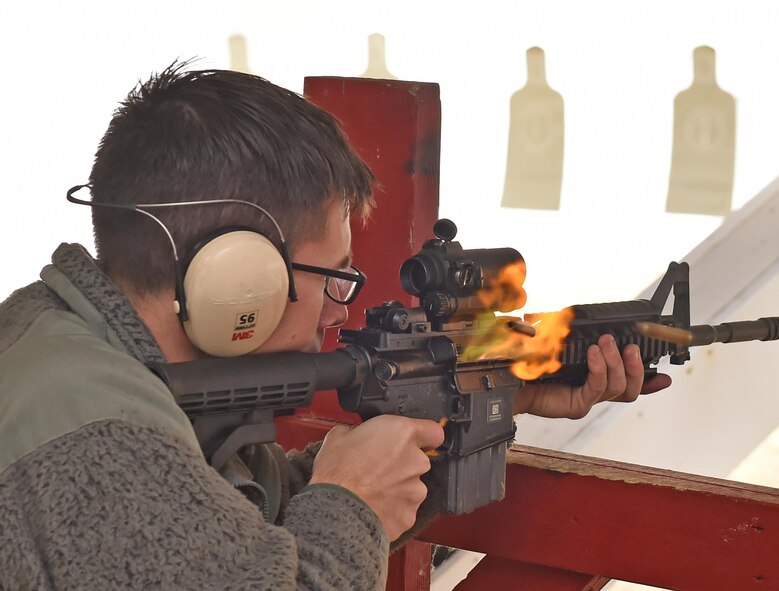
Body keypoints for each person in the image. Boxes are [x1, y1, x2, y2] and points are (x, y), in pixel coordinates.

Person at [0, 62, 671, 590]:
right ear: (243, 276)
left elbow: (223, 535)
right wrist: (350, 502)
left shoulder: (70, 341)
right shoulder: (94, 428)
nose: (340, 309)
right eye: (335, 277)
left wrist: (495, 396)